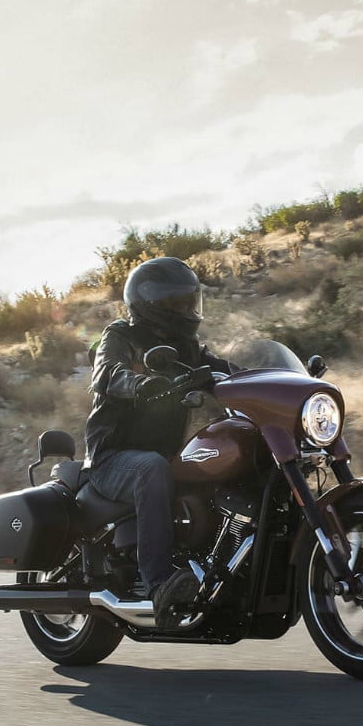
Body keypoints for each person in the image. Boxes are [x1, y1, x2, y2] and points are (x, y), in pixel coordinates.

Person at [84, 256, 235, 623]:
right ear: (152, 305)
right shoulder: (120, 336)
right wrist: (140, 383)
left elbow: (225, 371)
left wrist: (274, 380)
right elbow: (107, 372)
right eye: (176, 303)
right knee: (150, 469)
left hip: (168, 454)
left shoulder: (189, 347)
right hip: (113, 457)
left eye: (189, 301)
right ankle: (159, 582)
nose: (186, 309)